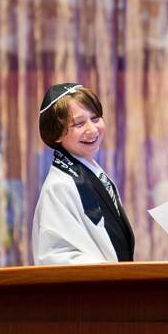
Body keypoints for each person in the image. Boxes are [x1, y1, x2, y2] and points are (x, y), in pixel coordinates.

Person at [32, 83, 135, 265]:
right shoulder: (59, 187)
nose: (92, 129)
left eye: (95, 118)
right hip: (94, 290)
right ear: (56, 133)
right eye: (79, 123)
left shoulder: (96, 175)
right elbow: (55, 257)